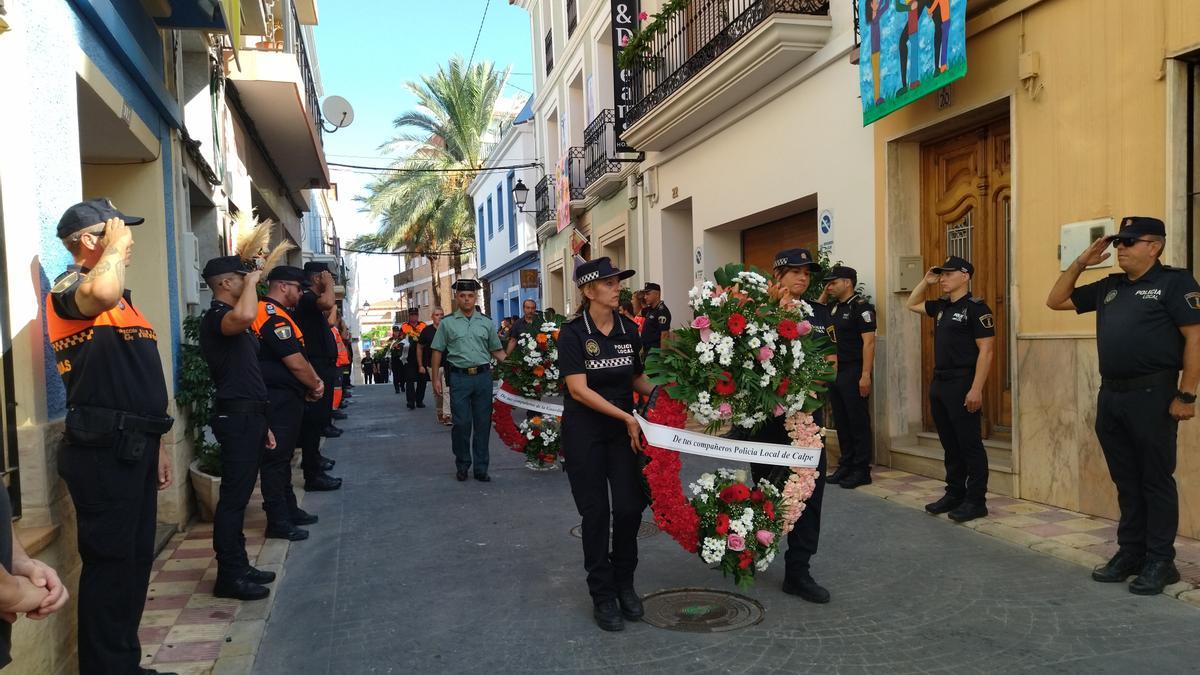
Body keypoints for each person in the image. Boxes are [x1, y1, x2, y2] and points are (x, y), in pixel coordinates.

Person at [46, 198, 175, 674]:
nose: (129, 238)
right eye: (117, 230)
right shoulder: (71, 286)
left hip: (135, 445)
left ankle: (124, 663)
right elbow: (98, 292)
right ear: (88, 241)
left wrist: (159, 443)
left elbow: (136, 381)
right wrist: (113, 251)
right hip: (102, 452)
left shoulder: (122, 297)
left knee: (134, 564)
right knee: (111, 566)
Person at [1046, 217, 1200, 595]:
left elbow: (1195, 338)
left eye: (1130, 242)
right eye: (1118, 242)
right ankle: (1131, 552)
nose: (1121, 249)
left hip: (1154, 394)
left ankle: (1161, 561)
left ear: (1155, 246)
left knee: (1155, 479)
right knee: (1127, 481)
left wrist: (1186, 394)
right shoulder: (1110, 287)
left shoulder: (1175, 282)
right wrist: (1082, 261)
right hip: (1112, 395)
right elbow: (1055, 300)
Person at [557, 257, 655, 632]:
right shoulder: (573, 334)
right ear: (588, 291)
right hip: (585, 434)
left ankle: (624, 582)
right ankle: (602, 593)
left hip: (621, 435)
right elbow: (578, 390)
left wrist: (669, 394)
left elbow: (636, 379)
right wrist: (629, 417)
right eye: (611, 282)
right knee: (595, 514)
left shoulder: (630, 330)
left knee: (630, 509)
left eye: (619, 282)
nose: (619, 288)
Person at [744, 248, 835, 604]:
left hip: (806, 420)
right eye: (794, 271)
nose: (802, 277)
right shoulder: (755, 312)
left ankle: (798, 571)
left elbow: (831, 364)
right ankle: (750, 549)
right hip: (768, 421)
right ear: (777, 275)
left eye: (807, 273)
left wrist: (804, 387)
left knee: (808, 495)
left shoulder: (819, 313)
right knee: (765, 488)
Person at [198, 256, 278, 601]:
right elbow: (246, 313)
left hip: (252, 418)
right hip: (237, 419)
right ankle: (229, 575)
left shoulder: (238, 324)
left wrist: (265, 423)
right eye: (243, 279)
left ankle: (240, 565)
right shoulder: (218, 318)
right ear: (226, 284)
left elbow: (250, 376)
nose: (252, 283)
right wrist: (255, 278)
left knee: (241, 498)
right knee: (232, 501)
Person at [905, 255, 995, 524]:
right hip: (940, 382)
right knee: (950, 444)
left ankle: (976, 501)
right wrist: (925, 280)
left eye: (948, 274)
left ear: (965, 276)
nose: (942, 278)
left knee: (970, 444)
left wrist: (976, 389)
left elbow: (987, 351)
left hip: (963, 382)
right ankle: (955, 493)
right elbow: (912, 304)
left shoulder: (977, 309)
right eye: (940, 274)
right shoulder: (942, 306)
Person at [252, 266, 325, 542]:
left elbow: (299, 357)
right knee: (276, 459)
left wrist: (313, 381)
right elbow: (293, 361)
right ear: (283, 286)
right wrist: (315, 384)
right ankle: (278, 520)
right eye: (298, 288)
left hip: (287, 397)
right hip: (277, 398)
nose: (301, 293)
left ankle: (289, 510)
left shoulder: (281, 315)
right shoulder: (270, 315)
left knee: (283, 459)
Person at [431, 279, 506, 481]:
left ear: (475, 298)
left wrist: (516, 367)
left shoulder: (486, 323)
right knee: (462, 423)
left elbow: (497, 350)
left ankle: (481, 468)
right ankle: (463, 464)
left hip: (483, 377)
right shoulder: (447, 323)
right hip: (459, 378)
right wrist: (435, 379)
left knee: (483, 424)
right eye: (462, 296)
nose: (466, 299)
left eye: (470, 296)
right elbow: (437, 351)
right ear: (457, 298)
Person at [822, 265, 877, 489]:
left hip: (854, 370)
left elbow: (869, 342)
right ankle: (846, 464)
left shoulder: (861, 308)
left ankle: (861, 469)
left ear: (847, 282)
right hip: (837, 371)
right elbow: (815, 312)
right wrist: (825, 294)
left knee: (857, 421)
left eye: (833, 282)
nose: (830, 286)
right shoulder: (834, 308)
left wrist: (865, 375)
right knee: (842, 421)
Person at [293, 263, 342, 491]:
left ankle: (315, 460)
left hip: (323, 365)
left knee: (318, 420)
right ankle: (313, 474)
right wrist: (329, 285)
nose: (329, 279)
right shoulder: (307, 298)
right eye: (326, 275)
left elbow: (329, 316)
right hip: (315, 366)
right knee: (312, 423)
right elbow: (328, 302)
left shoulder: (311, 301)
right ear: (317, 277)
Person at [417, 308, 450, 425]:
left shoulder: (448, 329)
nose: (440, 317)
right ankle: (440, 411)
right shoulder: (426, 331)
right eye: (437, 315)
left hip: (447, 365)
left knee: (447, 390)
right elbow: (419, 347)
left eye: (442, 314)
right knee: (438, 391)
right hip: (432, 366)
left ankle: (447, 415)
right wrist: (420, 365)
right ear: (432, 317)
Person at [400, 308, 428, 409]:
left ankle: (419, 400)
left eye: (415, 315)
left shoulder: (423, 325)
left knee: (422, 380)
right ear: (409, 316)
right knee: (410, 380)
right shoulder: (404, 326)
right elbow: (401, 339)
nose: (413, 317)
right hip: (409, 356)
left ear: (418, 315)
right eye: (411, 315)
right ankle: (410, 402)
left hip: (422, 356)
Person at [639, 282, 672, 355]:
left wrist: (662, 357)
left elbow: (665, 335)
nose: (645, 297)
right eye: (645, 294)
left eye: (648, 294)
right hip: (647, 349)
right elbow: (636, 312)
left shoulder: (662, 311)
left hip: (655, 352)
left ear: (657, 294)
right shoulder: (650, 309)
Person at [389, 324, 407, 394]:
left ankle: (402, 386)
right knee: (395, 374)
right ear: (393, 332)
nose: (396, 332)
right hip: (394, 359)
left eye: (397, 331)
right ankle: (396, 388)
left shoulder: (402, 339)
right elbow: (389, 349)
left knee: (402, 374)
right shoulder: (391, 340)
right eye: (395, 331)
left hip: (401, 358)